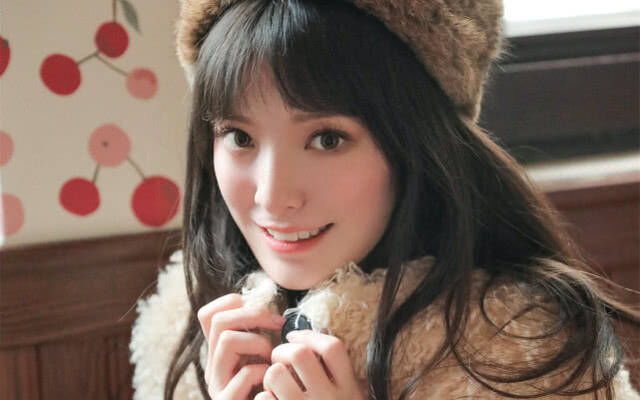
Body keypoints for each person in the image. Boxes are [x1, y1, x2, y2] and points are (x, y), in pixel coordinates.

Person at [129, 0, 640, 399]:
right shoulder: (182, 325)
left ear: (415, 143)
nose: (272, 195)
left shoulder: (525, 352)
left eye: (327, 138)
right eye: (239, 137)